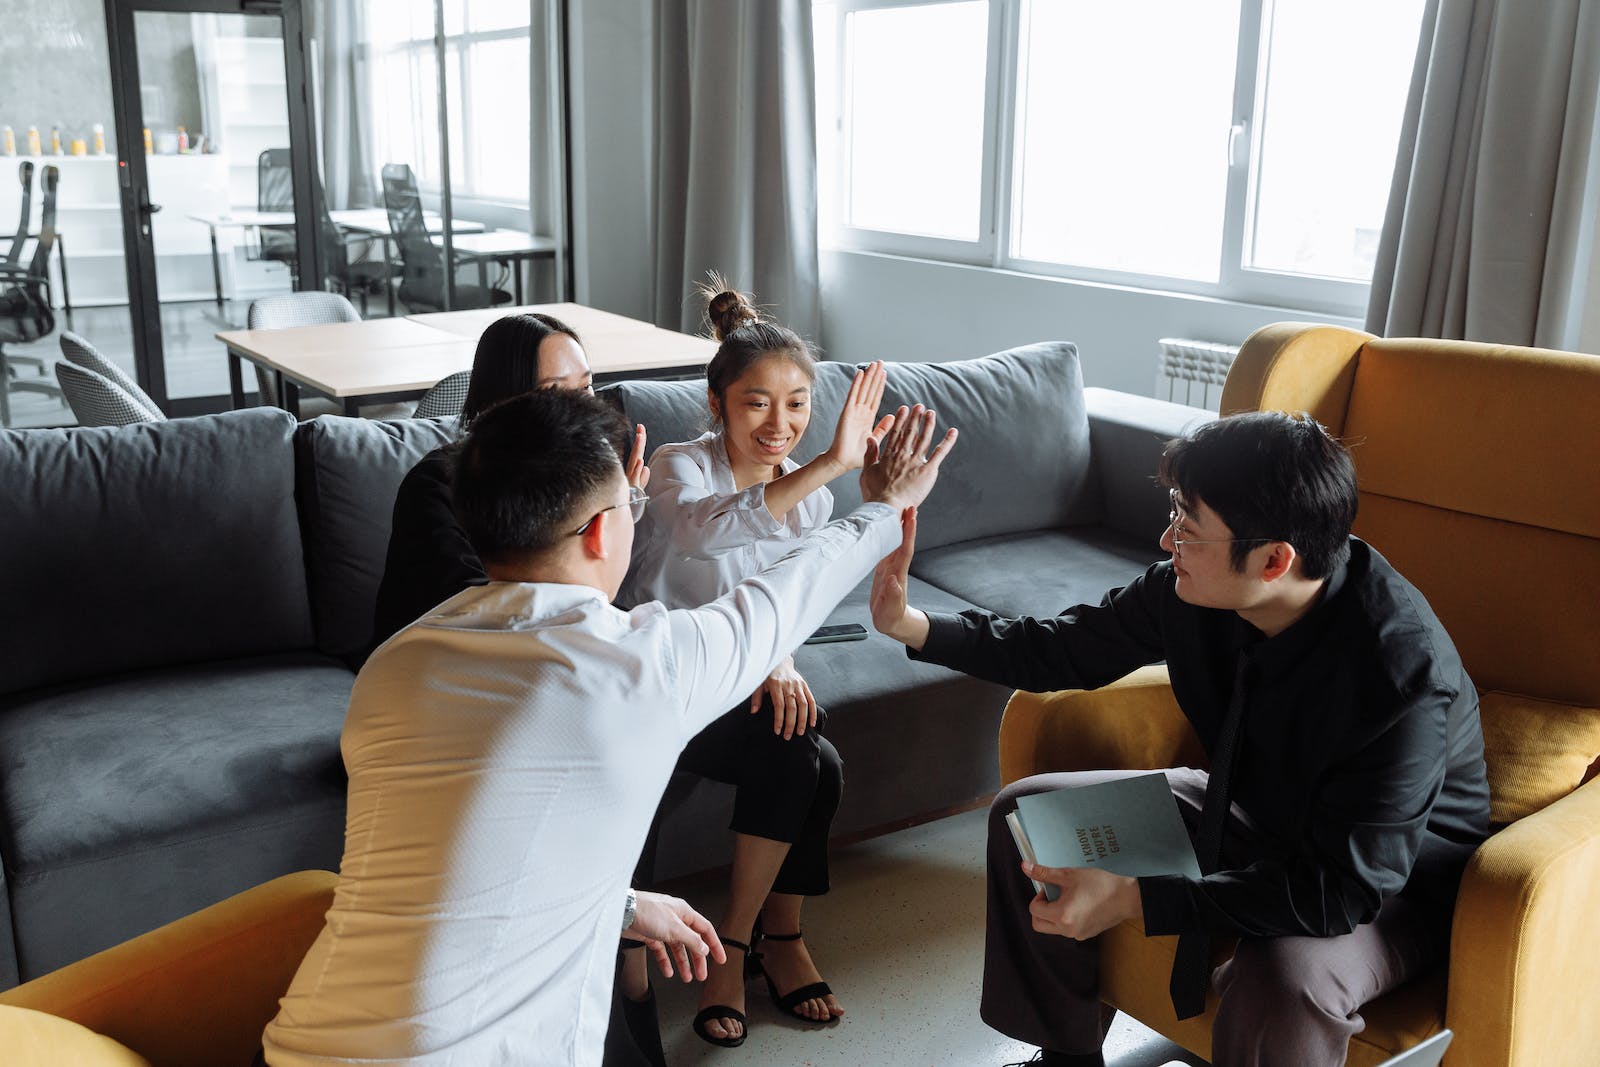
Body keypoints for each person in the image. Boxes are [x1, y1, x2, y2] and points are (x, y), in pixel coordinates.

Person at [261, 387, 957, 1066]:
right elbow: (781, 596)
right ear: (601, 531)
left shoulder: (394, 664)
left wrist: (619, 905)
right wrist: (886, 503)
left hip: (297, 1042)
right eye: (632, 503)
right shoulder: (635, 668)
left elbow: (456, 865)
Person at [867, 411, 1490, 1067]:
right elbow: (1062, 650)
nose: (1167, 540)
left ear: (1275, 559)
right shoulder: (1188, 590)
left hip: (1385, 883)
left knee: (1281, 977)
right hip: (1247, 810)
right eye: (1175, 514)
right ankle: (1065, 1055)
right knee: (1026, 818)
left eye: (1188, 528)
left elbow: (1337, 891)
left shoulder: (1400, 677)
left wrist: (1132, 895)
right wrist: (908, 622)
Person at [619, 287, 892, 1047]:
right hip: (660, 686)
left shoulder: (808, 502)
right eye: (757, 405)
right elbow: (709, 536)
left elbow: (786, 600)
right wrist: (832, 464)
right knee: (813, 762)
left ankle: (753, 941)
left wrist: (780, 659)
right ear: (718, 403)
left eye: (798, 405)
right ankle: (754, 945)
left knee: (810, 754)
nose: (781, 426)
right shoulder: (679, 468)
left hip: (731, 682)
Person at [372, 311, 649, 650]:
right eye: (556, 390)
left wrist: (622, 509)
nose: (581, 407)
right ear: (505, 399)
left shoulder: (595, 474)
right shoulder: (439, 484)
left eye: (586, 386)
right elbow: (486, 612)